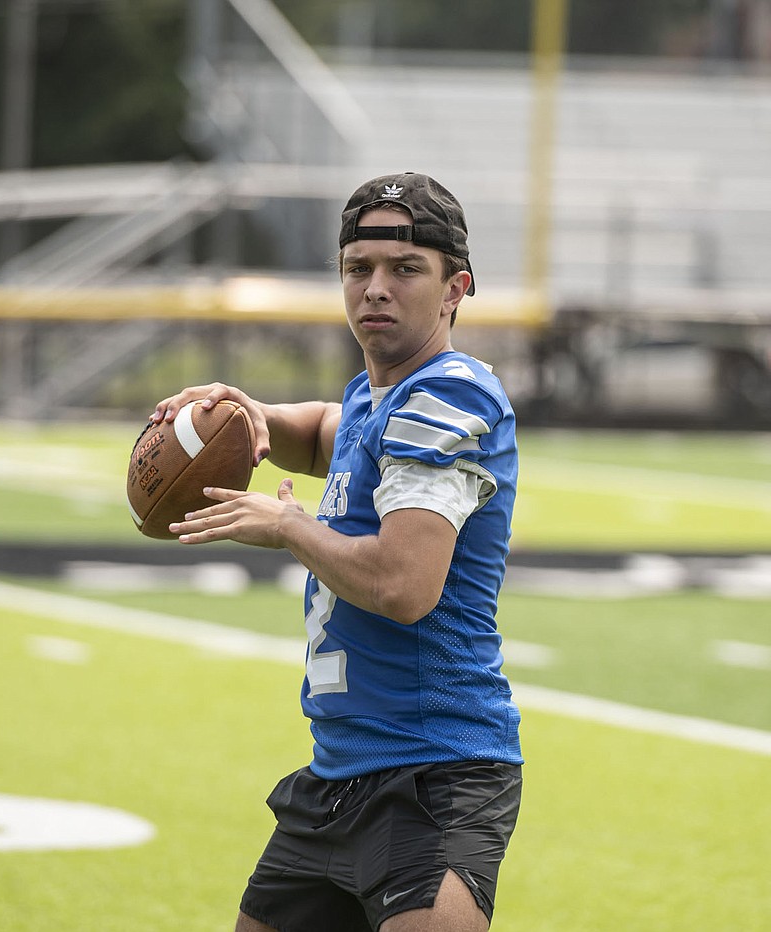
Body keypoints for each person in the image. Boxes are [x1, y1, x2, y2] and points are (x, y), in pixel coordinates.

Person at [152, 172, 523, 932]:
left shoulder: (446, 397)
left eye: (404, 270)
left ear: (456, 288)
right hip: (339, 775)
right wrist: (250, 413)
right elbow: (329, 428)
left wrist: (288, 527)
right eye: (359, 269)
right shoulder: (377, 395)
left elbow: (404, 586)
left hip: (432, 773)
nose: (375, 290)